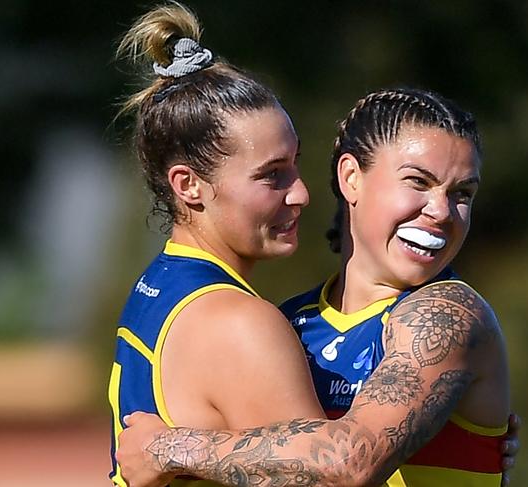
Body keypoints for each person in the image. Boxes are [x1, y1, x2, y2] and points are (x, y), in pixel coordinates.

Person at [111, 3, 519, 487]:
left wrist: (170, 447)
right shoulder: (282, 322)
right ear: (351, 178)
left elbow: (349, 461)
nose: (442, 211)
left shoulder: (448, 314)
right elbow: (336, 460)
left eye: (462, 194)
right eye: (417, 182)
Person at [107, 4, 325, 486]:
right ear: (188, 185)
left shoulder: (160, 283)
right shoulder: (238, 324)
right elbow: (332, 477)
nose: (302, 192)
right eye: (272, 176)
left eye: (295, 164)